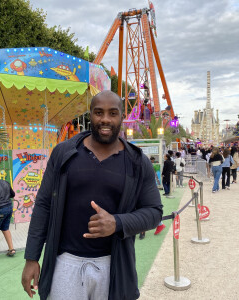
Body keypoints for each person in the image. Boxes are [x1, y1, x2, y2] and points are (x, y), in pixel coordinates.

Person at [21, 91, 163, 300]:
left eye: (112, 113)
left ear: (121, 117)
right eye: (99, 112)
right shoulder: (64, 153)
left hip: (113, 264)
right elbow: (43, 205)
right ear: (90, 115)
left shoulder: (137, 162)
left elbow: (154, 212)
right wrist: (31, 257)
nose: (105, 119)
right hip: (65, 261)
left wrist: (117, 223)